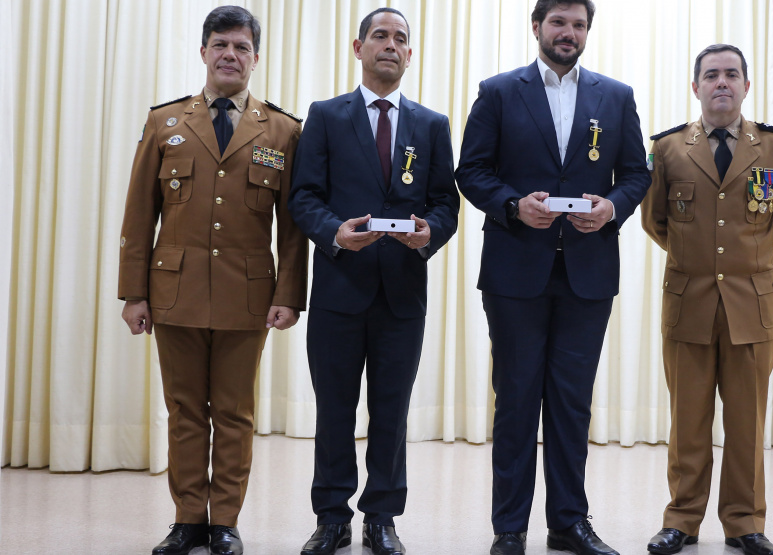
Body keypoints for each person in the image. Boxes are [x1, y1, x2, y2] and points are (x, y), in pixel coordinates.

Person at [455, 1, 651, 554]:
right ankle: (509, 528)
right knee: (516, 401)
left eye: (579, 25)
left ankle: (569, 522)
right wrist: (514, 205)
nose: (569, 33)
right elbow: (470, 171)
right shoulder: (497, 91)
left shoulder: (615, 96)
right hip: (516, 272)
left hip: (587, 275)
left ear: (588, 32)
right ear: (537, 27)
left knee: (571, 402)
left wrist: (611, 207)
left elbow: (636, 173)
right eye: (559, 23)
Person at [118, 6, 308, 555]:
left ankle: (224, 520)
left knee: (233, 413)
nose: (231, 55)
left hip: (248, 295)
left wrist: (289, 295)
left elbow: (291, 229)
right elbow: (139, 214)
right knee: (183, 411)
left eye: (242, 47)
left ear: (255, 57)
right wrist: (135, 293)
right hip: (172, 291)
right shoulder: (166, 122)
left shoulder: (282, 130)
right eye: (221, 44)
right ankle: (186, 520)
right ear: (203, 52)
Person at [288, 7, 460, 555]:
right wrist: (334, 233)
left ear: (411, 55)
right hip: (340, 288)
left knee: (392, 409)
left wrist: (427, 232)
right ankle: (331, 516)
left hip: (402, 293)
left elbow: (446, 205)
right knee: (334, 409)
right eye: (380, 36)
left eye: (401, 39)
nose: (391, 44)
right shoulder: (325, 116)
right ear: (357, 47)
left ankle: (382, 515)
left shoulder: (431, 124)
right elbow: (304, 197)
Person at [640, 44, 773, 555]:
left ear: (746, 86)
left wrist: (746, 258)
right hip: (688, 303)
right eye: (711, 75)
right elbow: (655, 219)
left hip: (751, 306)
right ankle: (682, 520)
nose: (721, 83)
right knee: (687, 421)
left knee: (746, 423)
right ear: (695, 87)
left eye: (731, 75)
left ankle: (745, 524)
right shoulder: (668, 149)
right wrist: (701, 261)